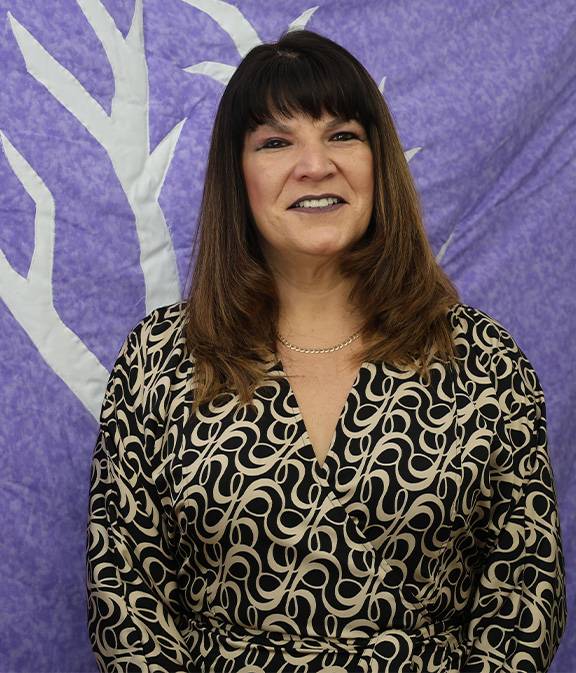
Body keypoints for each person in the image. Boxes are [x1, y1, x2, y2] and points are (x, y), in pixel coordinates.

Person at [85, 28, 567, 673]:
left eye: (342, 135)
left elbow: (525, 595)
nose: (315, 165)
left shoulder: (482, 358)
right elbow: (125, 597)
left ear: (377, 162)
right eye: (276, 142)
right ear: (237, 176)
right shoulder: (162, 357)